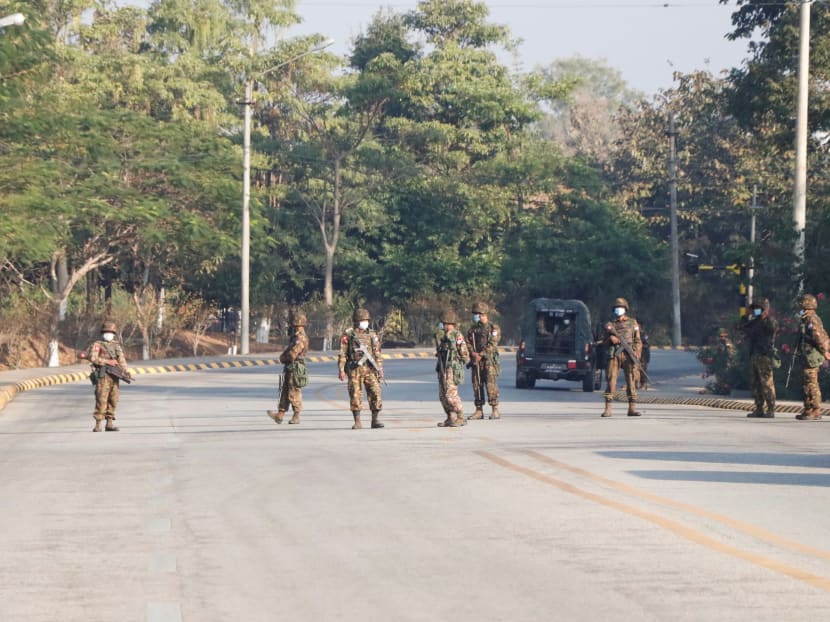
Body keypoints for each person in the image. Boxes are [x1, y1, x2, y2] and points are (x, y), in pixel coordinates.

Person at [338, 308, 384, 429]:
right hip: (354, 369)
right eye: (363, 320)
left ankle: (375, 419)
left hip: (370, 368)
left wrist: (379, 368)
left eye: (366, 320)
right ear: (357, 321)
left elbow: (377, 352)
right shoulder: (349, 334)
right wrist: (341, 369)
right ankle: (357, 421)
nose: (365, 322)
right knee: (355, 394)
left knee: (376, 392)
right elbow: (343, 353)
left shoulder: (372, 334)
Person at [601, 297, 643, 417]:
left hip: (629, 354)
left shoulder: (632, 323)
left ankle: (632, 408)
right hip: (615, 354)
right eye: (617, 308)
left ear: (625, 309)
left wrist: (637, 352)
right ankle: (608, 408)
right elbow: (603, 342)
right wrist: (610, 339)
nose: (619, 310)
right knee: (611, 379)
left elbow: (637, 340)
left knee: (631, 380)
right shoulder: (611, 325)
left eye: (621, 308)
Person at [86, 320, 130, 432]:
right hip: (103, 375)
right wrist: (107, 362)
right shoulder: (97, 345)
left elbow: (121, 359)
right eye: (106, 332)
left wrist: (126, 370)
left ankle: (109, 423)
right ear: (102, 333)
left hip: (115, 375)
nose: (109, 334)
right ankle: (98, 424)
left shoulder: (116, 346)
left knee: (113, 399)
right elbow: (93, 358)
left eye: (111, 332)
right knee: (101, 399)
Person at [267, 312, 309, 425]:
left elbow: (293, 353)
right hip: (290, 366)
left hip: (296, 367)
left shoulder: (300, 337)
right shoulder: (295, 336)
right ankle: (280, 414)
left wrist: (284, 358)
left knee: (294, 391)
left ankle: (296, 415)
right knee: (285, 391)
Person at [739, 297, 778, 418]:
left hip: (764, 355)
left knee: (767, 383)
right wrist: (745, 315)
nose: (755, 311)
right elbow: (740, 327)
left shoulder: (769, 321)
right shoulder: (754, 322)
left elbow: (773, 328)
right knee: (755, 384)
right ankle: (759, 408)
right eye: (754, 309)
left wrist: (765, 315)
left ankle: (771, 409)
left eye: (757, 309)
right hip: (754, 355)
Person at [794, 293, 830, 421]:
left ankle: (815, 409)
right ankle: (808, 409)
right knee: (806, 383)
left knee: (811, 383)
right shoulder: (805, 320)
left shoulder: (812, 320)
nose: (800, 309)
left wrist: (825, 351)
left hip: (812, 356)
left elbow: (818, 337)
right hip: (806, 355)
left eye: (802, 307)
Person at [466, 301, 501, 420]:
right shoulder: (472, 329)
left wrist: (481, 354)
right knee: (477, 384)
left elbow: (492, 344)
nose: (475, 316)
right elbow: (468, 342)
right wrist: (473, 353)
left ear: (483, 314)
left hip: (489, 361)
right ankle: (479, 410)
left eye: (477, 314)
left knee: (491, 385)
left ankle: (495, 409)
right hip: (476, 361)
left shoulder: (493, 328)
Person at [436, 310, 470, 428]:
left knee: (450, 394)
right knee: (442, 395)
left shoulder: (457, 335)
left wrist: (457, 359)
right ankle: (450, 417)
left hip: (452, 369)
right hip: (442, 368)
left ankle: (461, 416)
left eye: (442, 323)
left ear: (448, 322)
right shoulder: (444, 337)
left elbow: (465, 354)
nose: (441, 325)